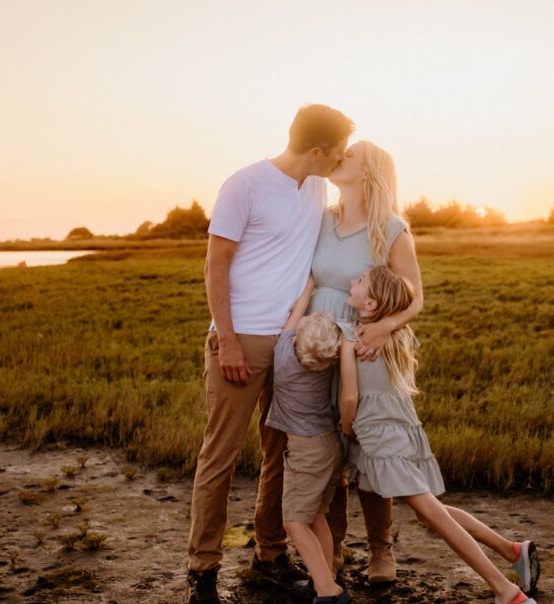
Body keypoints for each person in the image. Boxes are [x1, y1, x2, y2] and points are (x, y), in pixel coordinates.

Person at [187, 104, 354, 604]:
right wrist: (229, 338)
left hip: (293, 344)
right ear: (318, 151)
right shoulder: (245, 185)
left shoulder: (318, 188)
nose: (342, 158)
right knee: (220, 454)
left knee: (281, 452)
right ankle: (202, 571)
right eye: (339, 151)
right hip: (243, 340)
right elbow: (215, 264)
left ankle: (269, 554)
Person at [340, 265, 541, 604]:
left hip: (378, 438)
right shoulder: (397, 335)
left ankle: (506, 591)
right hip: (401, 431)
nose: (351, 280)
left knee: (431, 513)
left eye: (359, 281)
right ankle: (512, 550)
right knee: (428, 509)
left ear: (372, 305)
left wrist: (346, 428)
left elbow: (349, 397)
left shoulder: (355, 339)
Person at [308, 140, 422, 584]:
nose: (340, 158)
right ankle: (332, 549)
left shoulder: (391, 229)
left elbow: (415, 298)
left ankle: (381, 550)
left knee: (370, 447)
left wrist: (383, 327)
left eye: (350, 156)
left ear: (370, 172)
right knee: (326, 447)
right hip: (318, 344)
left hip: (364, 346)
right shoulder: (322, 220)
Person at [262, 294, 353, 604]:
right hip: (331, 445)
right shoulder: (326, 365)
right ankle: (322, 578)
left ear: (297, 342)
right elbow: (302, 330)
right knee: (316, 516)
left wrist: (307, 291)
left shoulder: (285, 361)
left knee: (295, 521)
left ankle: (329, 591)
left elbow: (293, 319)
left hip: (307, 452)